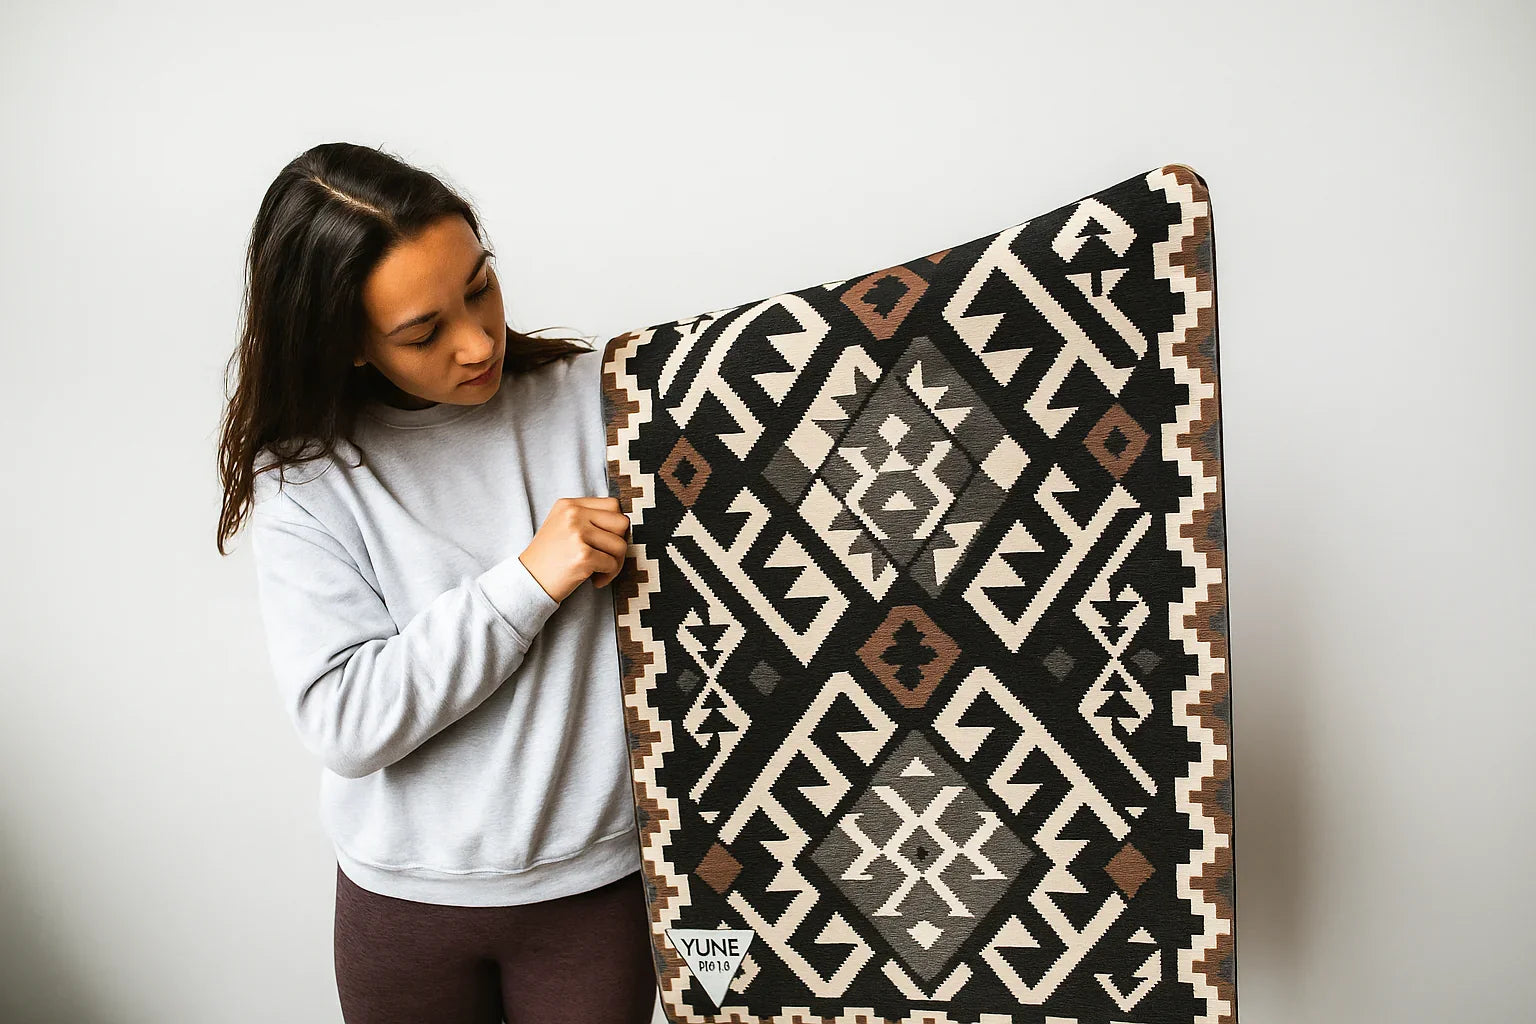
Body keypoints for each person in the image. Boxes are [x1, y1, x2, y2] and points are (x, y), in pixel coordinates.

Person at [214, 142, 657, 1023]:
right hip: (403, 910)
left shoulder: (603, 396)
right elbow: (345, 719)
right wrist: (529, 581)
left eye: (481, 287)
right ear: (343, 345)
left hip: (595, 894)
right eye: (423, 331)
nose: (477, 340)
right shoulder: (307, 477)